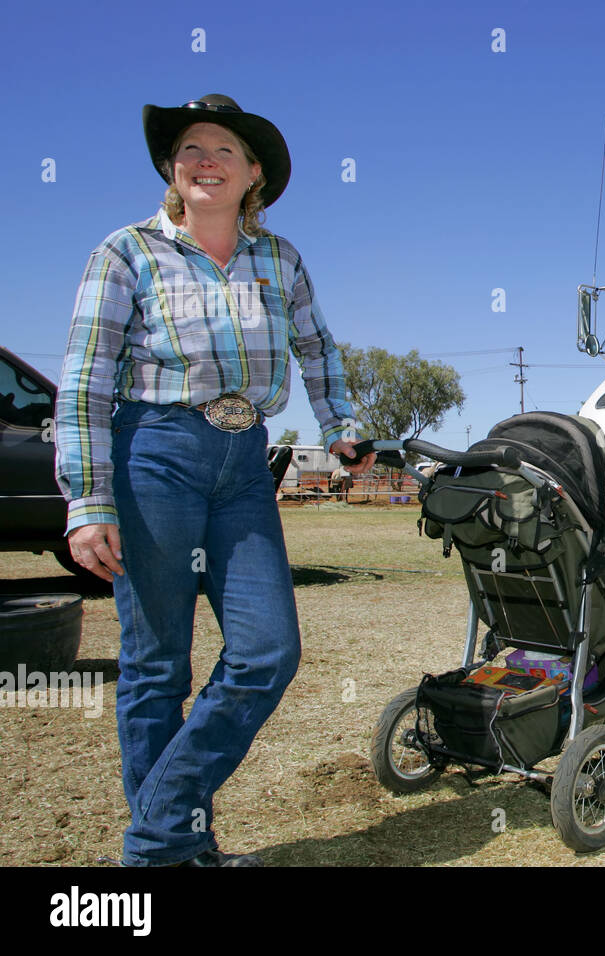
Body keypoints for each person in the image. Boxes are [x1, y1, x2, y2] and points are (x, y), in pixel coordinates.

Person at [54, 94, 376, 866]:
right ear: (172, 169)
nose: (203, 159)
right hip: (153, 451)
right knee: (158, 664)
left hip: (244, 463)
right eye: (189, 148)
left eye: (222, 149)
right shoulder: (126, 253)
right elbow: (85, 380)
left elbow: (318, 349)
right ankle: (181, 849)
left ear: (253, 172)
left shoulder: (280, 259)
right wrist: (88, 499)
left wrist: (341, 429)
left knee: (268, 651)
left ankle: (158, 837)